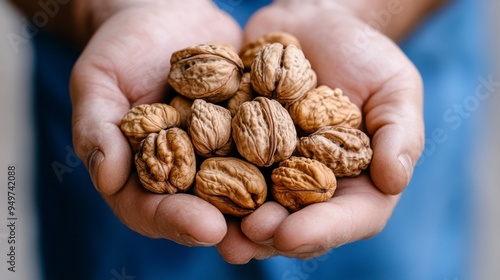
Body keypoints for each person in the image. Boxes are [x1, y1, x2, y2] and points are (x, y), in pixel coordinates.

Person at [8, 0, 489, 279]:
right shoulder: (192, 109)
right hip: (111, 47)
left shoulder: (291, 108)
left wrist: (359, 12)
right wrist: (100, 9)